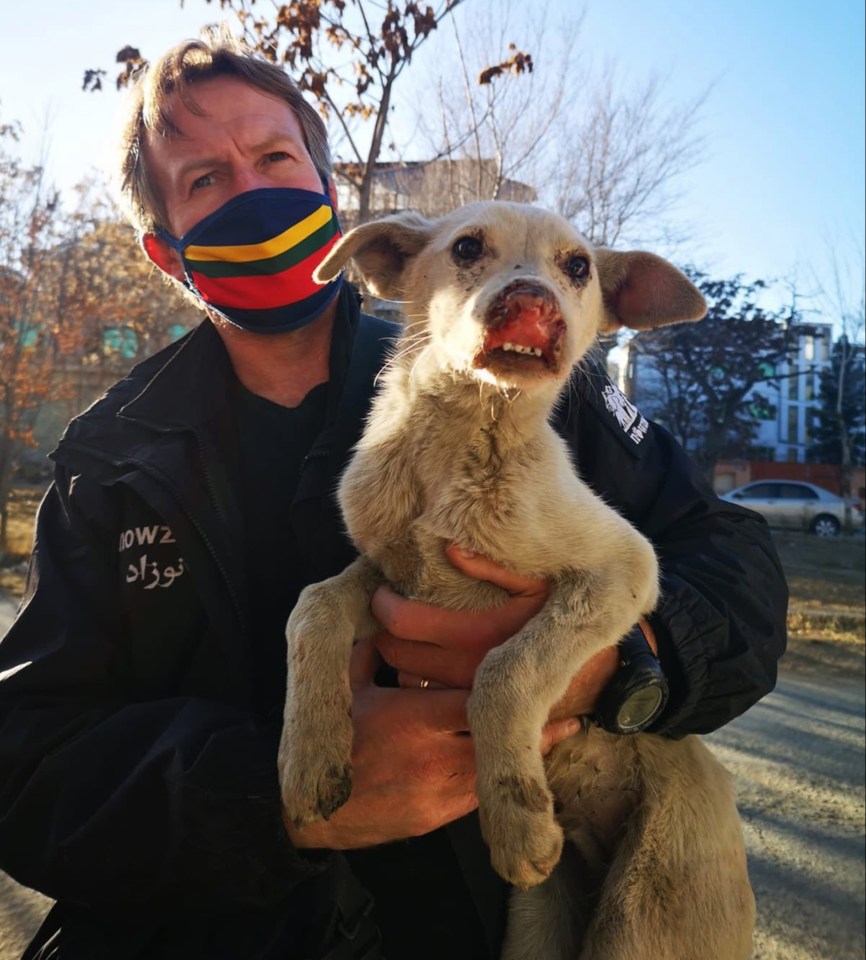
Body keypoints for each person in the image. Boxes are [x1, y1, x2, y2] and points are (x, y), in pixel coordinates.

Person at [0, 31, 787, 960]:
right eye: (206, 181)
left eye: (275, 157)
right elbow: (30, 768)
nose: (253, 194)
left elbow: (733, 565)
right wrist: (271, 804)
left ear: (329, 198)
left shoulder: (523, 377)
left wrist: (630, 663)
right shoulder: (109, 461)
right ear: (167, 254)